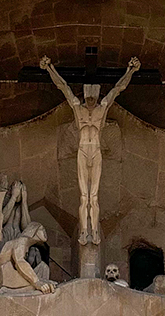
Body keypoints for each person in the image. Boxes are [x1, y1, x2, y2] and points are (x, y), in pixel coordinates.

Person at [41, 57, 140, 245]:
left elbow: (118, 89)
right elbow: (63, 86)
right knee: (84, 196)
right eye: (88, 94)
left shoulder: (102, 109)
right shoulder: (77, 109)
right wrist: (49, 68)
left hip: (96, 151)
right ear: (85, 95)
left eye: (94, 94)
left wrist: (131, 71)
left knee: (93, 196)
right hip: (82, 151)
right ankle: (83, 231)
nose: (91, 98)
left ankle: (94, 232)